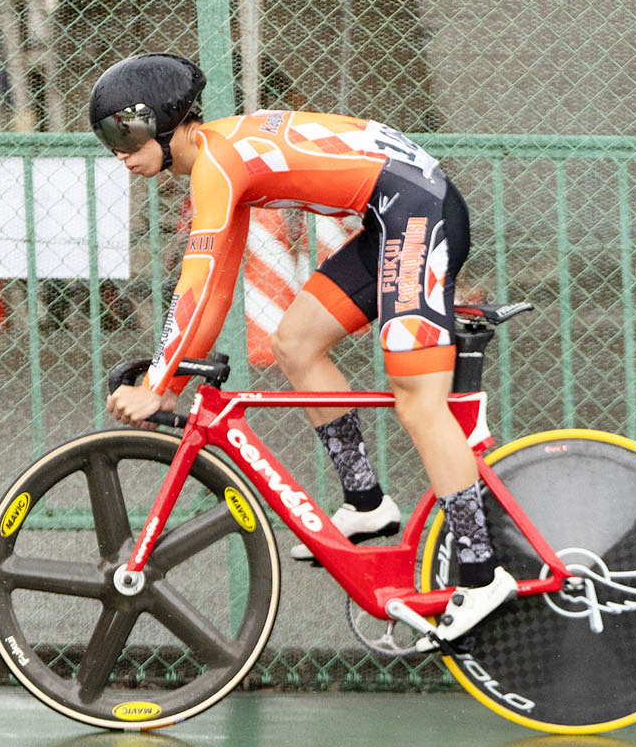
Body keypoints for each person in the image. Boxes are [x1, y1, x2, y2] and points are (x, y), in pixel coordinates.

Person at [93, 53, 516, 644]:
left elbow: (196, 284)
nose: (119, 152)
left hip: (417, 212)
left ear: (165, 121)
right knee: (295, 343)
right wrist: (168, 379)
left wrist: (159, 386)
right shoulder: (218, 162)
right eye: (106, 138)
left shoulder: (216, 164)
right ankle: (367, 501)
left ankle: (482, 572)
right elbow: (213, 288)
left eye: (124, 132)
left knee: (420, 400)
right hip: (394, 215)